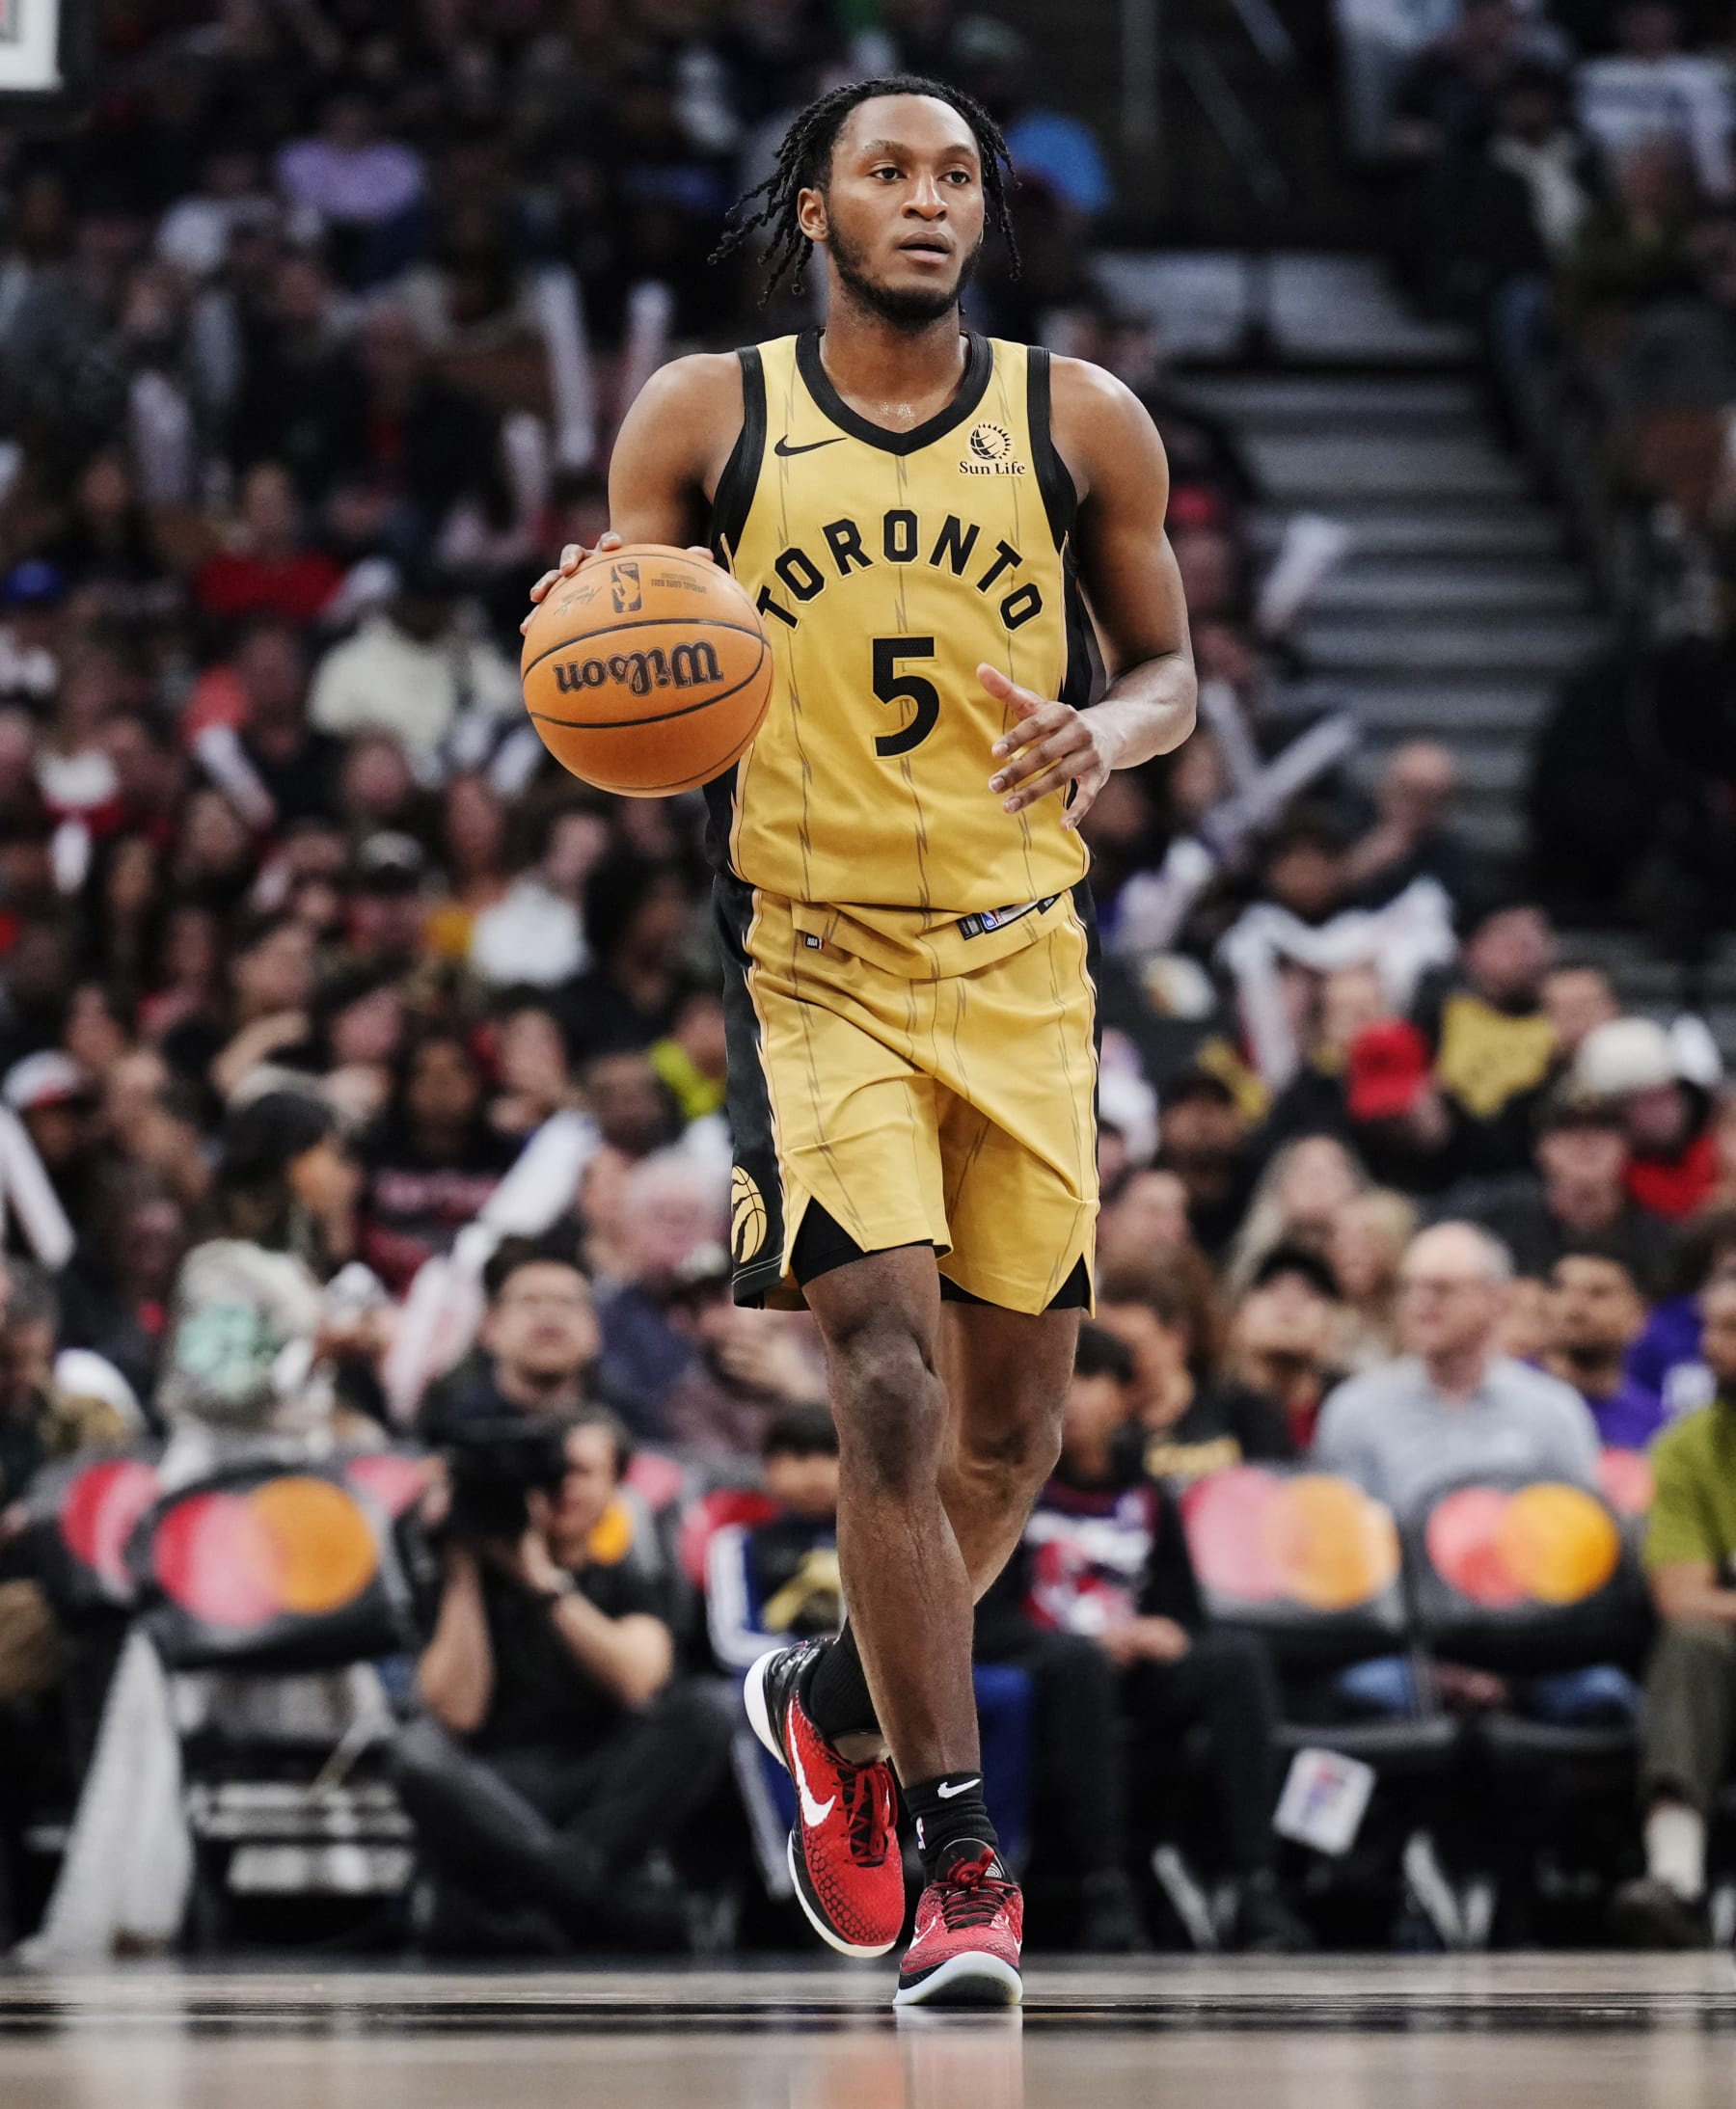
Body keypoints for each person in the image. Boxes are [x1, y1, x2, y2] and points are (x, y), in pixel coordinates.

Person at [527, 73, 1197, 2005]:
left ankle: (831, 1692)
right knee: (890, 1386)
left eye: (958, 174)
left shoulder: (1081, 421)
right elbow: (609, 635)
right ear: (813, 209)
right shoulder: (703, 413)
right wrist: (583, 616)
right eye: (888, 171)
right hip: (811, 956)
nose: (929, 200)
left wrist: (1112, 730)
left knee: (1020, 1434)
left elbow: (1167, 672)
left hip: (1023, 961)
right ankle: (963, 1859)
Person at [989, 1323, 1310, 1952]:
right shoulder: (1008, 1489)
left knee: (1237, 1657)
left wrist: (1165, 1630)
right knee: (1080, 1663)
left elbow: (1183, 1612)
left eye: (1088, 1380)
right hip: (1054, 1666)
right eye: (1057, 1381)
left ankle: (1257, 1884)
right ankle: (1106, 1888)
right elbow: (987, 1621)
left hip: (1134, 1668)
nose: (1071, 1397)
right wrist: (1080, 1639)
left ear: (1123, 1398)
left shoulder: (1146, 1491)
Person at [393, 1408, 730, 1955]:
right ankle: (585, 1893)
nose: (560, 1487)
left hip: (603, 1785)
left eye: (577, 1471)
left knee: (708, 1710)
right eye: (546, 1472)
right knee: (417, 1751)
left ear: (616, 1484)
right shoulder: (465, 1572)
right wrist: (464, 1570)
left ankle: (547, 1891)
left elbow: (638, 1683)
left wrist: (542, 1580)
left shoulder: (629, 1576)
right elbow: (457, 1712)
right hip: (499, 1788)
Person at [1314, 1221, 1602, 1519]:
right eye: (1409, 1288)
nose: (1420, 1304)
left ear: (1497, 1301)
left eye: (1442, 1289)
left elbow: (1582, 1530)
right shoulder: (1356, 1409)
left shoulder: (1552, 1411)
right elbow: (1342, 1539)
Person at [1610, 1276, 1736, 1947]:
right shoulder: (1685, 1447)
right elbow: (1682, 1595)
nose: (1714, 1347)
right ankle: (1676, 1877)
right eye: (1710, 1328)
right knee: (1689, 1641)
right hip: (1727, 1646)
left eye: (1733, 1330)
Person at [422, 1236, 602, 1442]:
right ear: (490, 1326)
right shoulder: (443, 1417)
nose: (549, 1315)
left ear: (596, 1329)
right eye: (529, 1301)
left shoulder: (629, 1418)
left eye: (566, 1302)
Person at [1542, 1248, 1667, 1451]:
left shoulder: (1658, 1427)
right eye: (1560, 1289)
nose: (1573, 1309)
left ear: (1638, 1316)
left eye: (1598, 1293)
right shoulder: (1501, 1395)